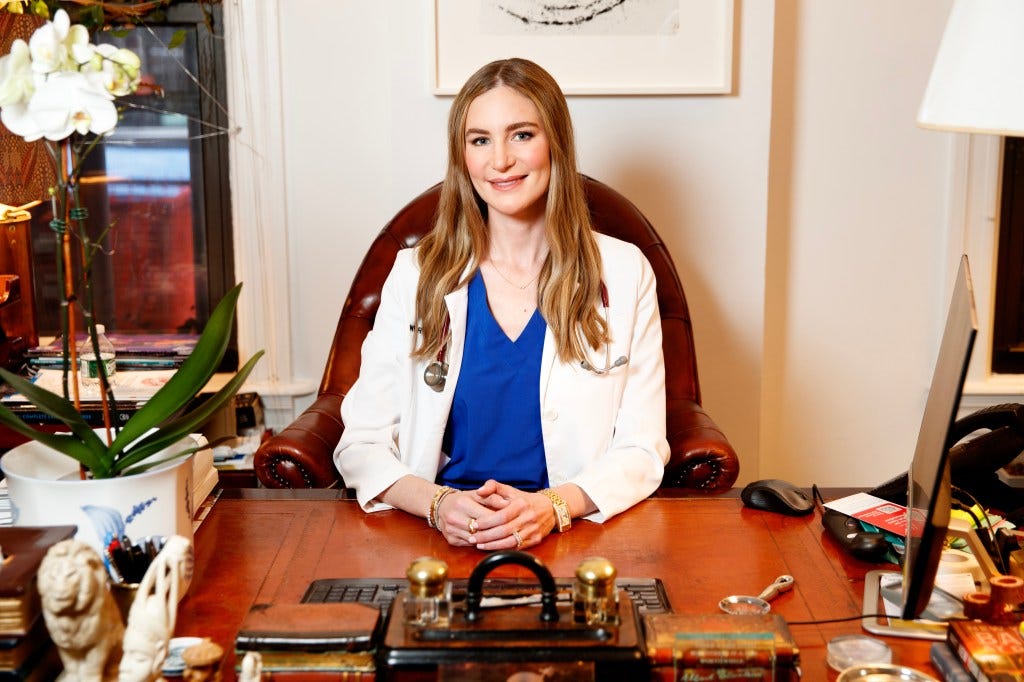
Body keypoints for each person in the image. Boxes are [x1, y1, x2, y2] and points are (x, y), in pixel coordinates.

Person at [334, 57, 669, 551]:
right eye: (480, 140)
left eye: (522, 135)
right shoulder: (416, 273)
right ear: (462, 156)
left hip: (571, 537)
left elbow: (642, 449)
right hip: (440, 538)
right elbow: (359, 444)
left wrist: (553, 507)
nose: (501, 162)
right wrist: (438, 504)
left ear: (555, 141)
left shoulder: (623, 271)